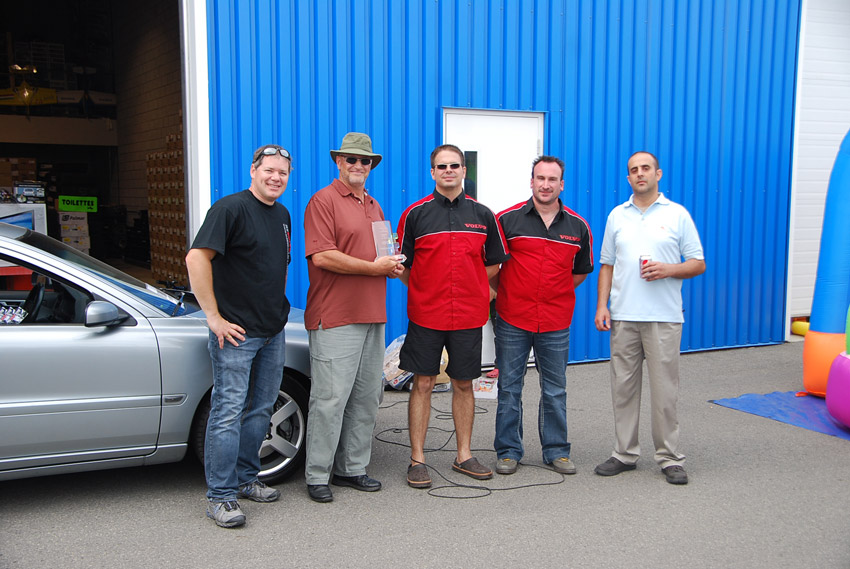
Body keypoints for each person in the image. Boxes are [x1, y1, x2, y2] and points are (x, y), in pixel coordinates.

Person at [186, 144, 293, 528]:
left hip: (271, 331)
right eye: (269, 170)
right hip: (236, 335)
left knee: (261, 409)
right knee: (227, 413)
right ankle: (220, 496)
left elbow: (274, 267)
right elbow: (196, 258)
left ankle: (248, 479)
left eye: (282, 172)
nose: (275, 177)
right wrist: (213, 317)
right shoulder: (229, 209)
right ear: (253, 170)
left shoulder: (282, 214)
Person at [398, 144, 509, 488]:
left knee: (463, 383)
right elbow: (404, 266)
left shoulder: (483, 215)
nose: (448, 171)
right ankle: (417, 459)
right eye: (442, 166)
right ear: (432, 172)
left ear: (464, 170)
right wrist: (425, 288)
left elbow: (494, 263)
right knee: (424, 383)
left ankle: (464, 455)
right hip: (426, 315)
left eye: (454, 165)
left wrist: (474, 289)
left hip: (467, 316)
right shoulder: (414, 214)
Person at [302, 132, 404, 503]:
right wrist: (374, 268)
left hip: (372, 313)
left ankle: (352, 468)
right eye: (351, 159)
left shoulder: (374, 205)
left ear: (371, 165)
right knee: (330, 399)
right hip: (336, 315)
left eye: (365, 161)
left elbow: (379, 253)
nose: (358, 165)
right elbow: (322, 256)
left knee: (366, 397)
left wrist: (390, 265)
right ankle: (317, 474)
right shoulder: (323, 201)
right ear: (338, 162)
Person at [594, 151, 705, 485]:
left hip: (663, 317)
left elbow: (698, 262)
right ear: (628, 178)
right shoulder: (617, 215)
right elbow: (607, 265)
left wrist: (669, 269)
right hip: (624, 316)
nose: (639, 173)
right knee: (623, 390)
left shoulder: (677, 214)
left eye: (645, 168)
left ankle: (669, 458)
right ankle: (624, 453)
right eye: (633, 170)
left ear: (658, 174)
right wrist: (602, 306)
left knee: (665, 392)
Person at [492, 155, 594, 476]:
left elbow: (580, 272)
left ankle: (556, 451)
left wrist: (555, 291)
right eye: (540, 178)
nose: (545, 185)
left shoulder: (578, 226)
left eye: (552, 179)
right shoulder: (507, 220)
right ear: (531, 181)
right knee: (510, 387)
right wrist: (505, 292)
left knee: (555, 389)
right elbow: (491, 267)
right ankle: (509, 451)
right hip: (513, 318)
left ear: (561, 184)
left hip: (555, 320)